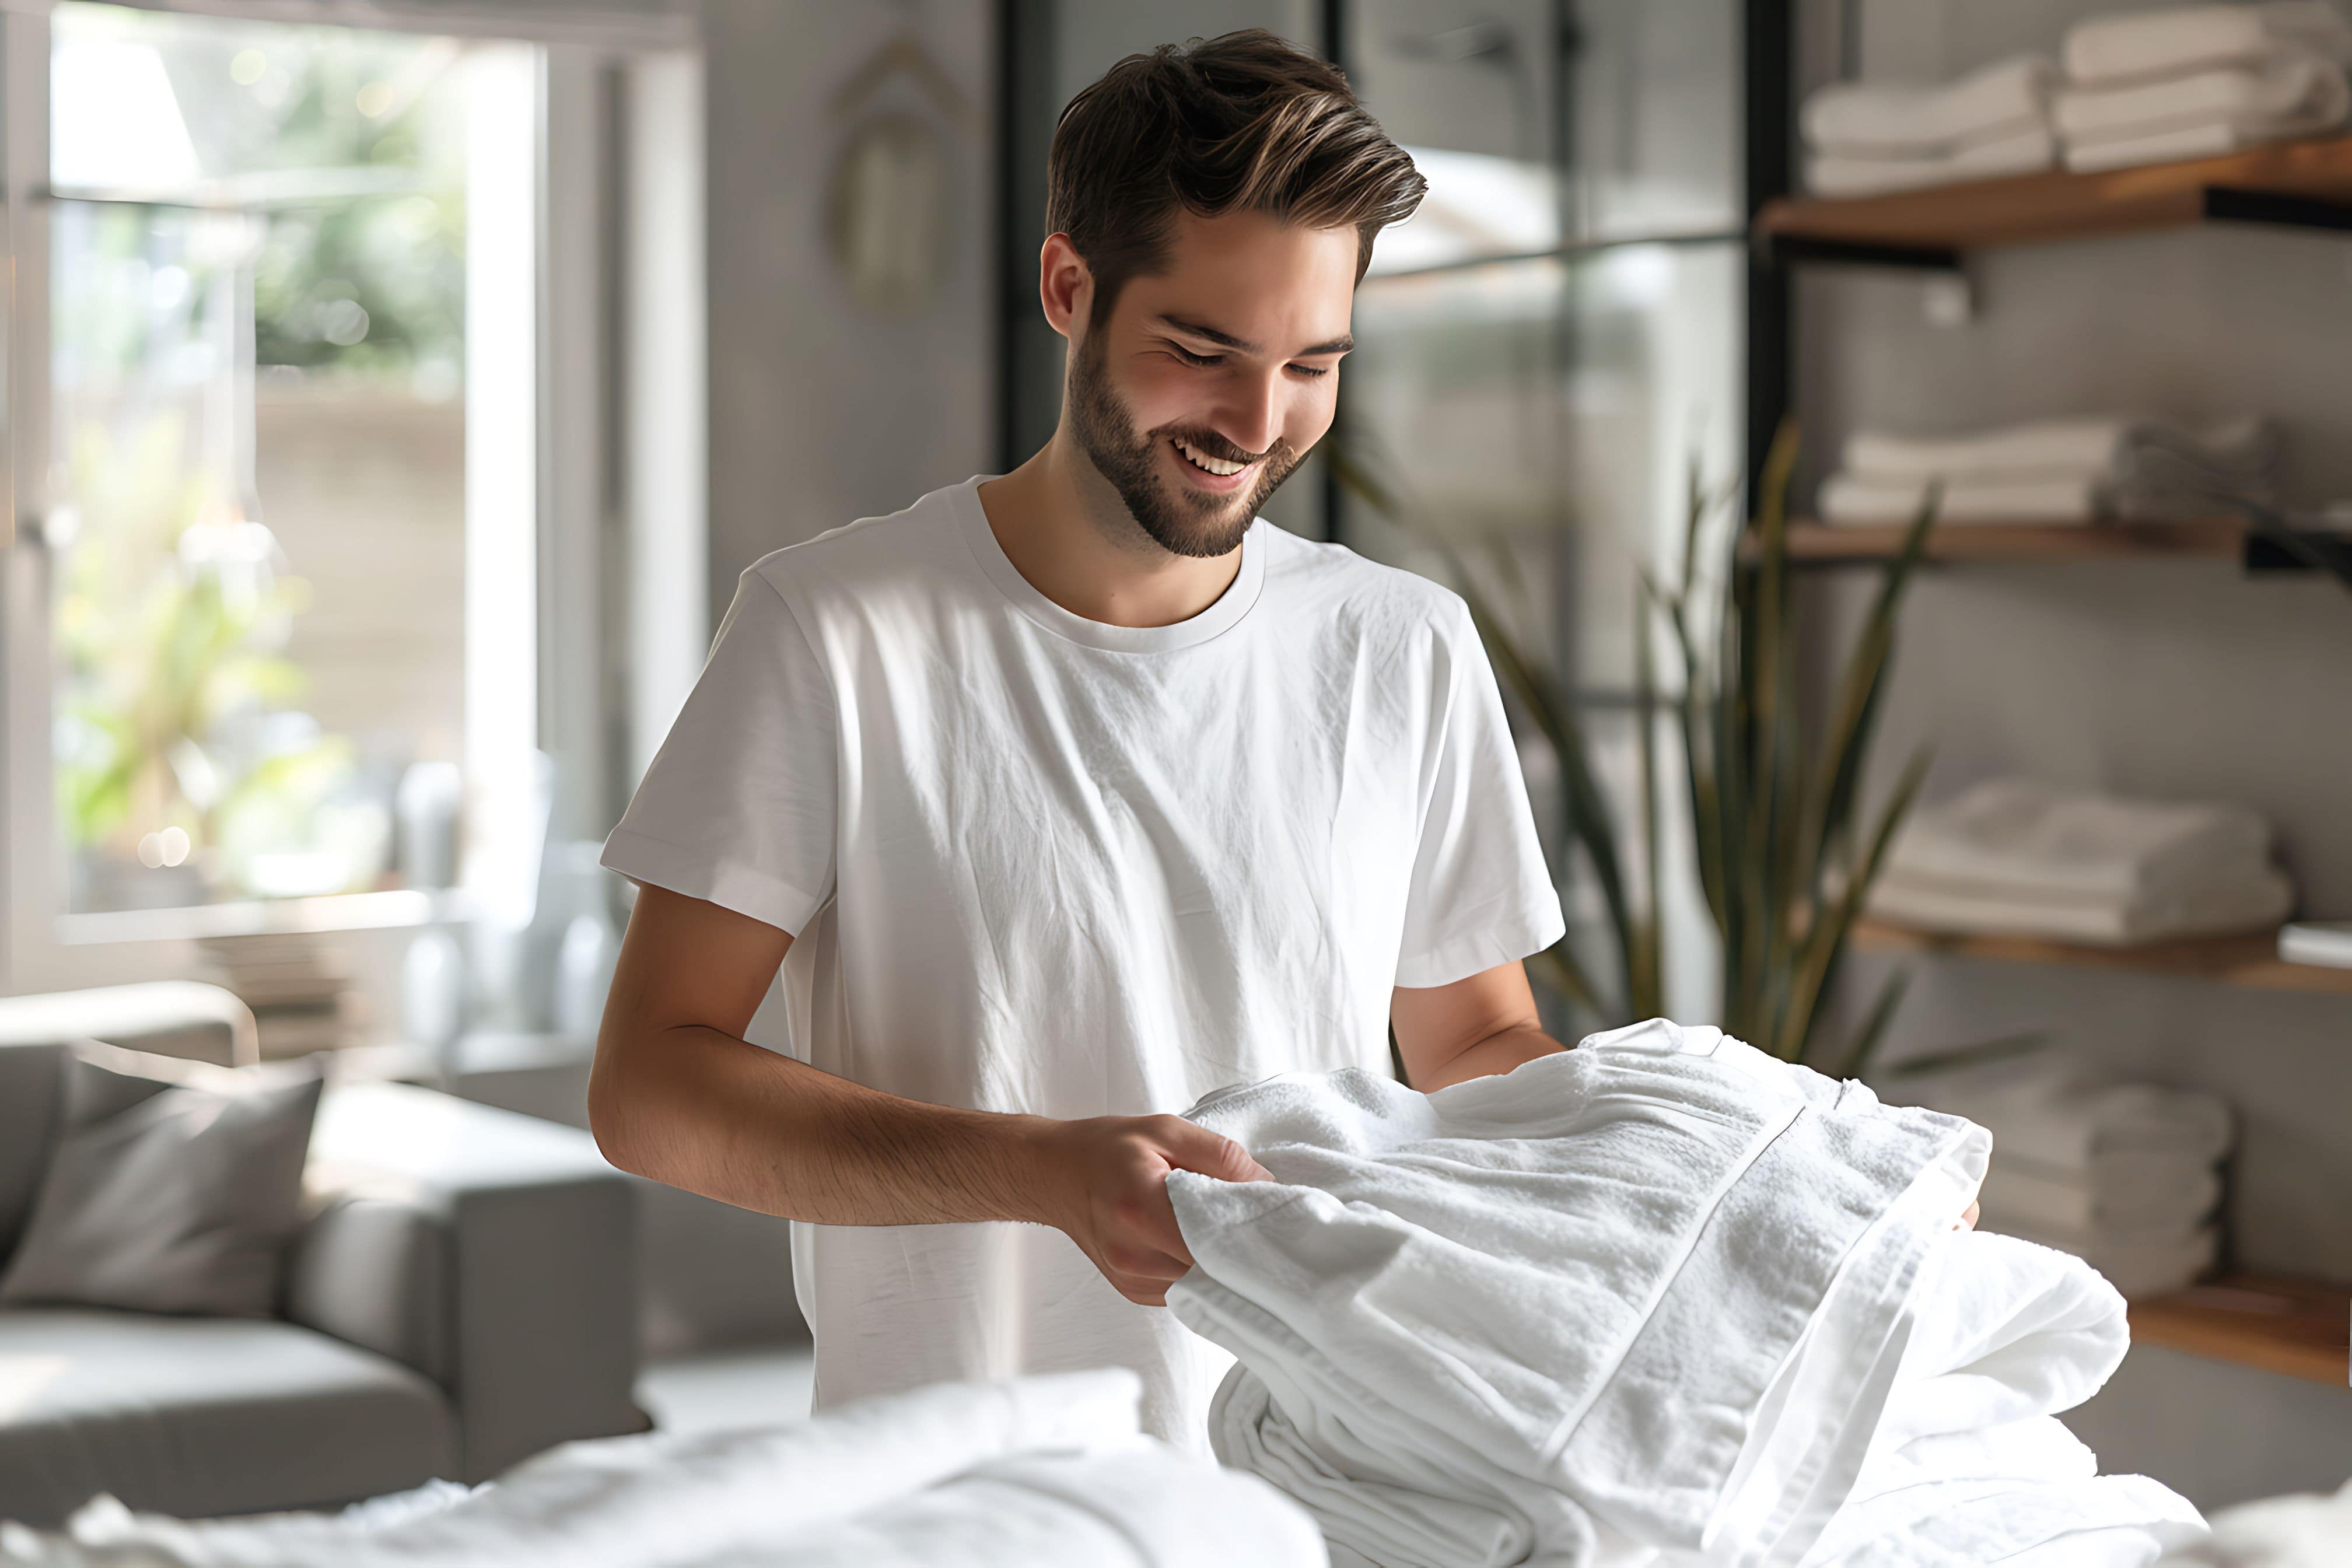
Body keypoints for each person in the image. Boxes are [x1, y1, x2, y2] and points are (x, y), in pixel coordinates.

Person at [588, 29, 1964, 1451]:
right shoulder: (834, 629)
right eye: (1202, 351)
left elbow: (1476, 1043)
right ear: (1071, 289)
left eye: (1315, 363)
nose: (1258, 422)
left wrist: (1779, 1168)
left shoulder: (1401, 646)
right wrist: (1041, 1172)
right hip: (965, 1490)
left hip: (1332, 1473)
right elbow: (651, 1089)